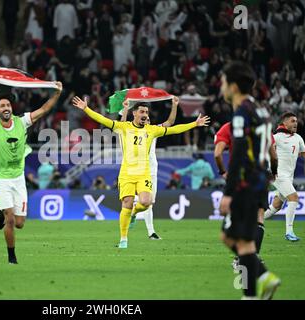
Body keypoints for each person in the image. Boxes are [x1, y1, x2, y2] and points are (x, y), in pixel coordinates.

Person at [71, 95, 209, 249]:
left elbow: (174, 128)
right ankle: (123, 240)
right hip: (126, 173)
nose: (145, 115)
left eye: (147, 113)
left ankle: (134, 214)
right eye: (142, 112)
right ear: (134, 113)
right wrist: (86, 109)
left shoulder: (152, 130)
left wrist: (194, 124)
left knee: (146, 202)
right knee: (127, 203)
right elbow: (103, 119)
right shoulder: (123, 127)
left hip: (144, 173)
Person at [0, 75, 62, 264]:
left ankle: (0, 217)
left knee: (19, 223)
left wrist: (56, 93)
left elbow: (44, 109)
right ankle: (11, 256)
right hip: (0, 180)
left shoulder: (22, 122)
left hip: (18, 180)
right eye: (2, 106)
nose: (6, 108)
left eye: (8, 105)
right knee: (10, 220)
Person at [219, 61, 280, 300]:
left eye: (224, 82)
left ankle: (260, 282)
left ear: (233, 86)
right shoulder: (261, 109)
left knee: (232, 237)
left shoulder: (241, 112)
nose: (221, 86)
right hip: (260, 179)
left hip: (246, 182)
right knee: (239, 239)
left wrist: (229, 191)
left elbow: (238, 153)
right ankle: (256, 289)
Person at [214, 120, 277, 262]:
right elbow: (273, 156)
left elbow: (217, 154)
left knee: (236, 221)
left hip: (239, 178)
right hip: (260, 176)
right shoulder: (264, 127)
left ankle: (242, 257)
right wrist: (274, 172)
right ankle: (254, 256)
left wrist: (223, 172)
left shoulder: (228, 127)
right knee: (259, 217)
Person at [120, 97, 179, 240]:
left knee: (149, 202)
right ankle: (144, 232)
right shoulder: (129, 130)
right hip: (131, 169)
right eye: (142, 115)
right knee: (128, 201)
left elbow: (170, 123)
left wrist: (174, 105)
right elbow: (121, 125)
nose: (145, 118)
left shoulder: (153, 131)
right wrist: (126, 109)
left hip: (150, 169)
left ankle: (145, 226)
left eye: (147, 116)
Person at [264, 112, 305, 241]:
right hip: (278, 175)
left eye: (296, 121)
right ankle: (289, 232)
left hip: (288, 177)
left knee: (276, 206)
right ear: (284, 123)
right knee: (294, 198)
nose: (295, 123)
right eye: (292, 121)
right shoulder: (277, 137)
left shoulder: (298, 138)